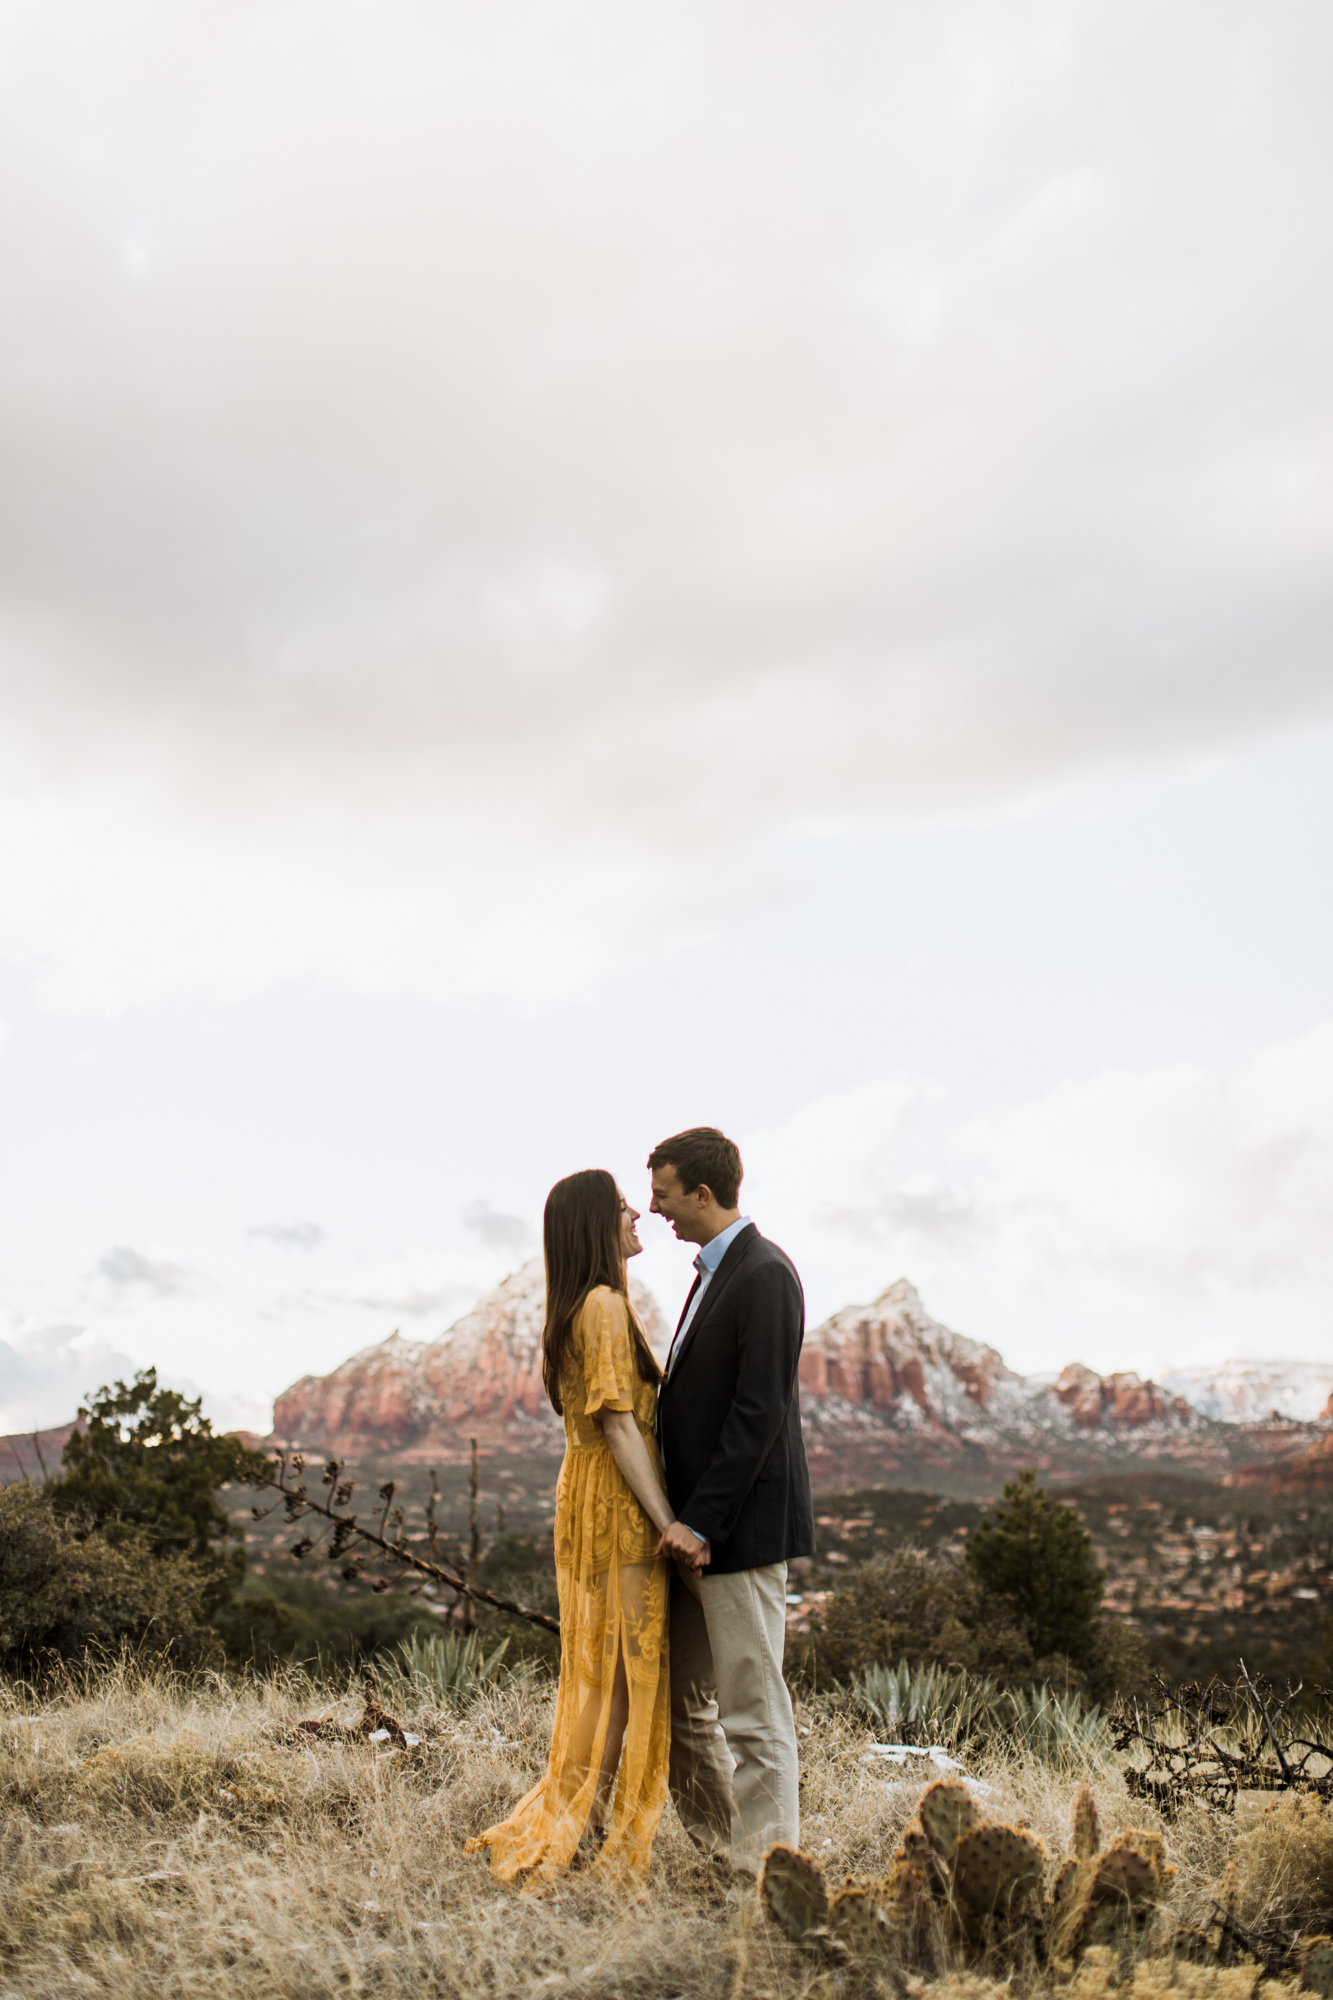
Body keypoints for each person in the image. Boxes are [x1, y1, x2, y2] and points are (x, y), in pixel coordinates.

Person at [467, 1168, 694, 1886]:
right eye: (623, 1208)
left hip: (588, 1497)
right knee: (622, 1674)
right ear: (595, 1225)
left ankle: (585, 1815)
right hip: (614, 1507)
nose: (638, 1216)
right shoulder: (600, 1306)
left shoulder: (587, 1303)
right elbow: (619, 1424)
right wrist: (669, 1523)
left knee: (603, 1672)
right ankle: (592, 1825)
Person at [649, 1126, 815, 1877]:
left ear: (702, 1192)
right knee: (679, 1706)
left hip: (734, 1534)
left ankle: (772, 1875)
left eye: (664, 1194)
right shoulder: (714, 1271)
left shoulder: (763, 1274)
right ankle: (725, 1854)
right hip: (688, 1536)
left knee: (752, 1712)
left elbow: (758, 1414)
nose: (657, 1211)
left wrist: (699, 1520)